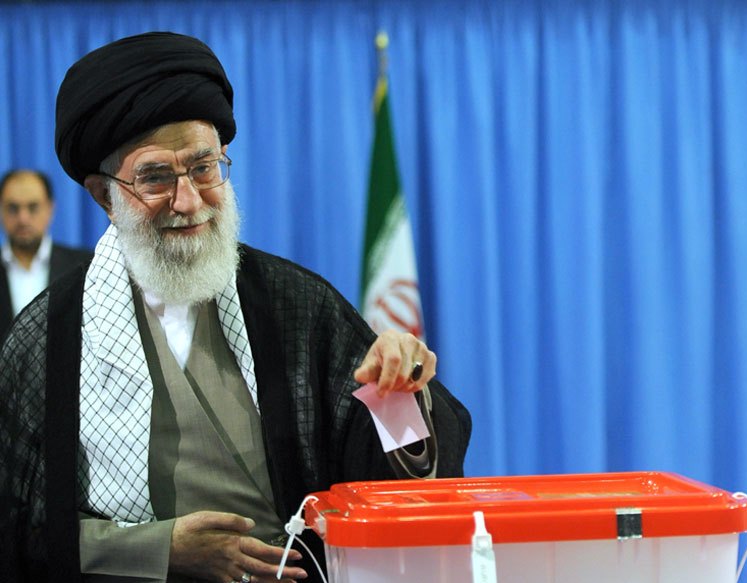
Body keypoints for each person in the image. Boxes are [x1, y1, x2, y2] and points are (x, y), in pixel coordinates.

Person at [0, 32, 471, 583]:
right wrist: (159, 550)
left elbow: (386, 476)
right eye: (155, 177)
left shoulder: (294, 302)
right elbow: (18, 527)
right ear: (104, 196)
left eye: (204, 168)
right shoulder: (51, 336)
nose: (187, 200)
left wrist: (398, 391)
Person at [0, 168, 93, 339]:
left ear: (50, 209)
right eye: (13, 208)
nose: (23, 218)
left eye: (33, 207)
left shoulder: (84, 267)